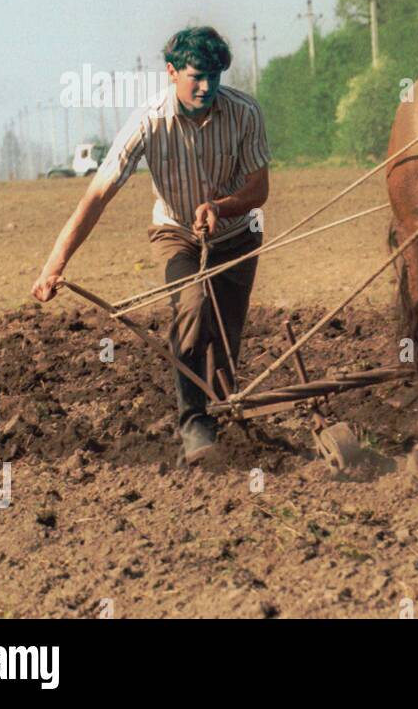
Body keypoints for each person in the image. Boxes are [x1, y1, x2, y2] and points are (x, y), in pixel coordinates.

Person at [31, 26, 271, 464]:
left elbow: (259, 188)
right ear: (171, 72)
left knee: (225, 338)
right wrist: (54, 264)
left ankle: (225, 418)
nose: (206, 87)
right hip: (176, 232)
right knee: (192, 308)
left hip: (237, 234)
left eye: (214, 77)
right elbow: (97, 196)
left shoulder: (245, 112)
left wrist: (221, 204)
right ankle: (194, 425)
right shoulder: (148, 123)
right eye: (196, 76)